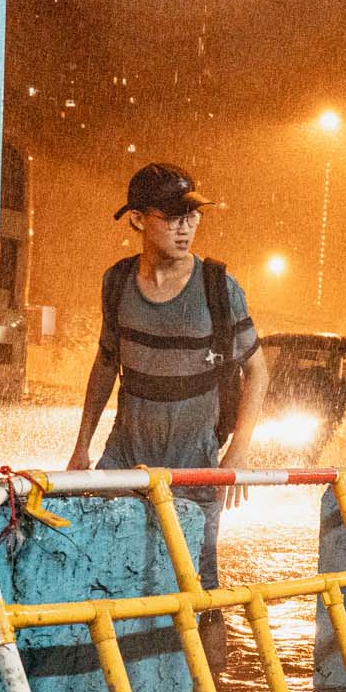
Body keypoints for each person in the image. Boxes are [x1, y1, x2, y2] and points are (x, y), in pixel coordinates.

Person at [68, 162, 269, 591]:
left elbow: (257, 372)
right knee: (103, 579)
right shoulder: (117, 282)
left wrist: (238, 451)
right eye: (174, 217)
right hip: (124, 464)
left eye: (192, 216)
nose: (186, 227)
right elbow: (106, 364)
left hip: (195, 470)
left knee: (197, 589)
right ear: (138, 220)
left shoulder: (219, 288)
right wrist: (82, 446)